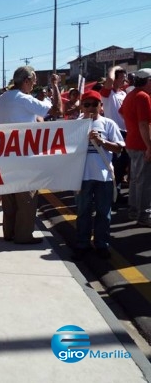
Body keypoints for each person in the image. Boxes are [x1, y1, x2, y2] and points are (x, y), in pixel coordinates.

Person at [0, 66, 63, 244]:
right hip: (24, 156)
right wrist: (55, 86)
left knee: (9, 198)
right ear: (26, 81)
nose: (33, 86)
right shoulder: (23, 99)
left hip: (5, 156)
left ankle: (9, 232)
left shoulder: (2, 98)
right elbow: (56, 110)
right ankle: (23, 235)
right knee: (27, 198)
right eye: (33, 82)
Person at [72, 91, 124, 260]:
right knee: (83, 212)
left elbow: (119, 148)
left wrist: (102, 142)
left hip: (104, 177)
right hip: (82, 177)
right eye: (87, 104)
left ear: (101, 107)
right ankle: (82, 244)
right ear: (81, 106)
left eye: (95, 104)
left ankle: (102, 244)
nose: (91, 108)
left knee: (103, 213)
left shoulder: (109, 124)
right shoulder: (75, 125)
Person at [119, 69, 151, 228]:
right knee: (144, 181)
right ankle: (143, 215)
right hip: (140, 144)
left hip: (132, 142)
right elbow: (144, 124)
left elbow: (122, 113)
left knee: (136, 179)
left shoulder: (131, 95)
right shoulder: (143, 97)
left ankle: (134, 210)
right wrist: (149, 146)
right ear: (147, 80)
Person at [100, 66, 129, 203]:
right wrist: (115, 67)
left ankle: (116, 195)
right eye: (122, 77)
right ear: (116, 79)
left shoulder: (124, 94)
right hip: (113, 134)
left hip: (126, 133)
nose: (124, 79)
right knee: (115, 167)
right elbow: (110, 79)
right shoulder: (107, 94)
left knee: (123, 167)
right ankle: (111, 198)